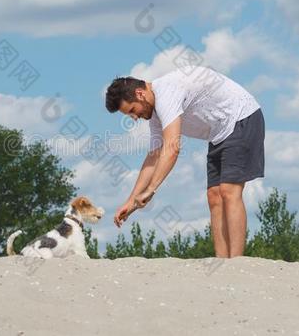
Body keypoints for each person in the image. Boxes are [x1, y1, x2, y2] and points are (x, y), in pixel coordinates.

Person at [104, 66, 265, 258]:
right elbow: (154, 156)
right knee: (214, 196)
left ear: (140, 94)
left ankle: (237, 262)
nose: (135, 117)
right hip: (219, 132)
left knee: (229, 191)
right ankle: (223, 262)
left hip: (241, 116)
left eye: (132, 110)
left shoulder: (166, 92)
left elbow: (172, 148)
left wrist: (151, 189)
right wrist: (131, 201)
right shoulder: (155, 115)